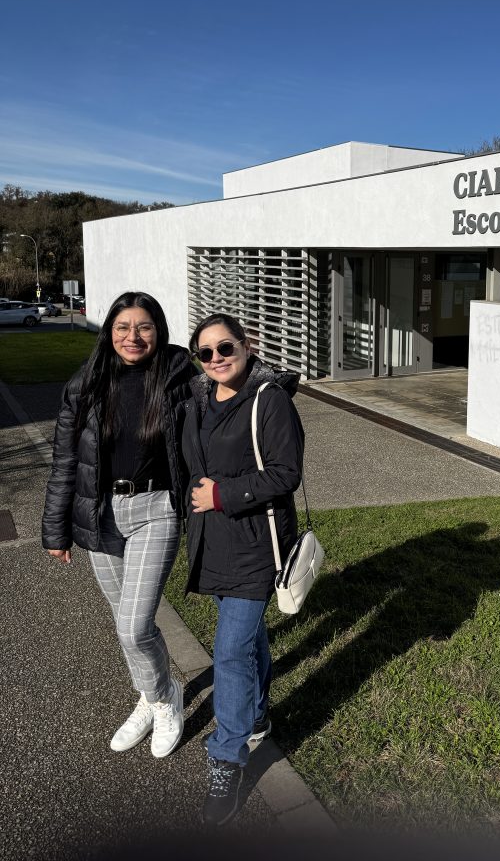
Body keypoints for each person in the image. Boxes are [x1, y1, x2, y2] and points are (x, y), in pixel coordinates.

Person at [42, 291, 197, 758]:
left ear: (158, 330)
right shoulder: (86, 383)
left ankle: (166, 699)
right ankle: (150, 696)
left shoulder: (179, 375)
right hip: (102, 513)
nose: (133, 336)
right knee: (123, 620)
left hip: (156, 509)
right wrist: (56, 529)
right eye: (123, 327)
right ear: (109, 331)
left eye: (144, 326)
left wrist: (267, 376)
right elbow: (66, 462)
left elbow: (232, 388)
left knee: (134, 626)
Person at [181, 313, 304, 826]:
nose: (216, 359)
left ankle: (227, 759)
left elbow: (286, 473)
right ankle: (256, 715)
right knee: (247, 638)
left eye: (225, 347)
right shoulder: (196, 399)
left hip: (256, 546)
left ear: (247, 345)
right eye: (205, 352)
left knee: (231, 650)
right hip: (212, 544)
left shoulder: (268, 399)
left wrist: (222, 495)